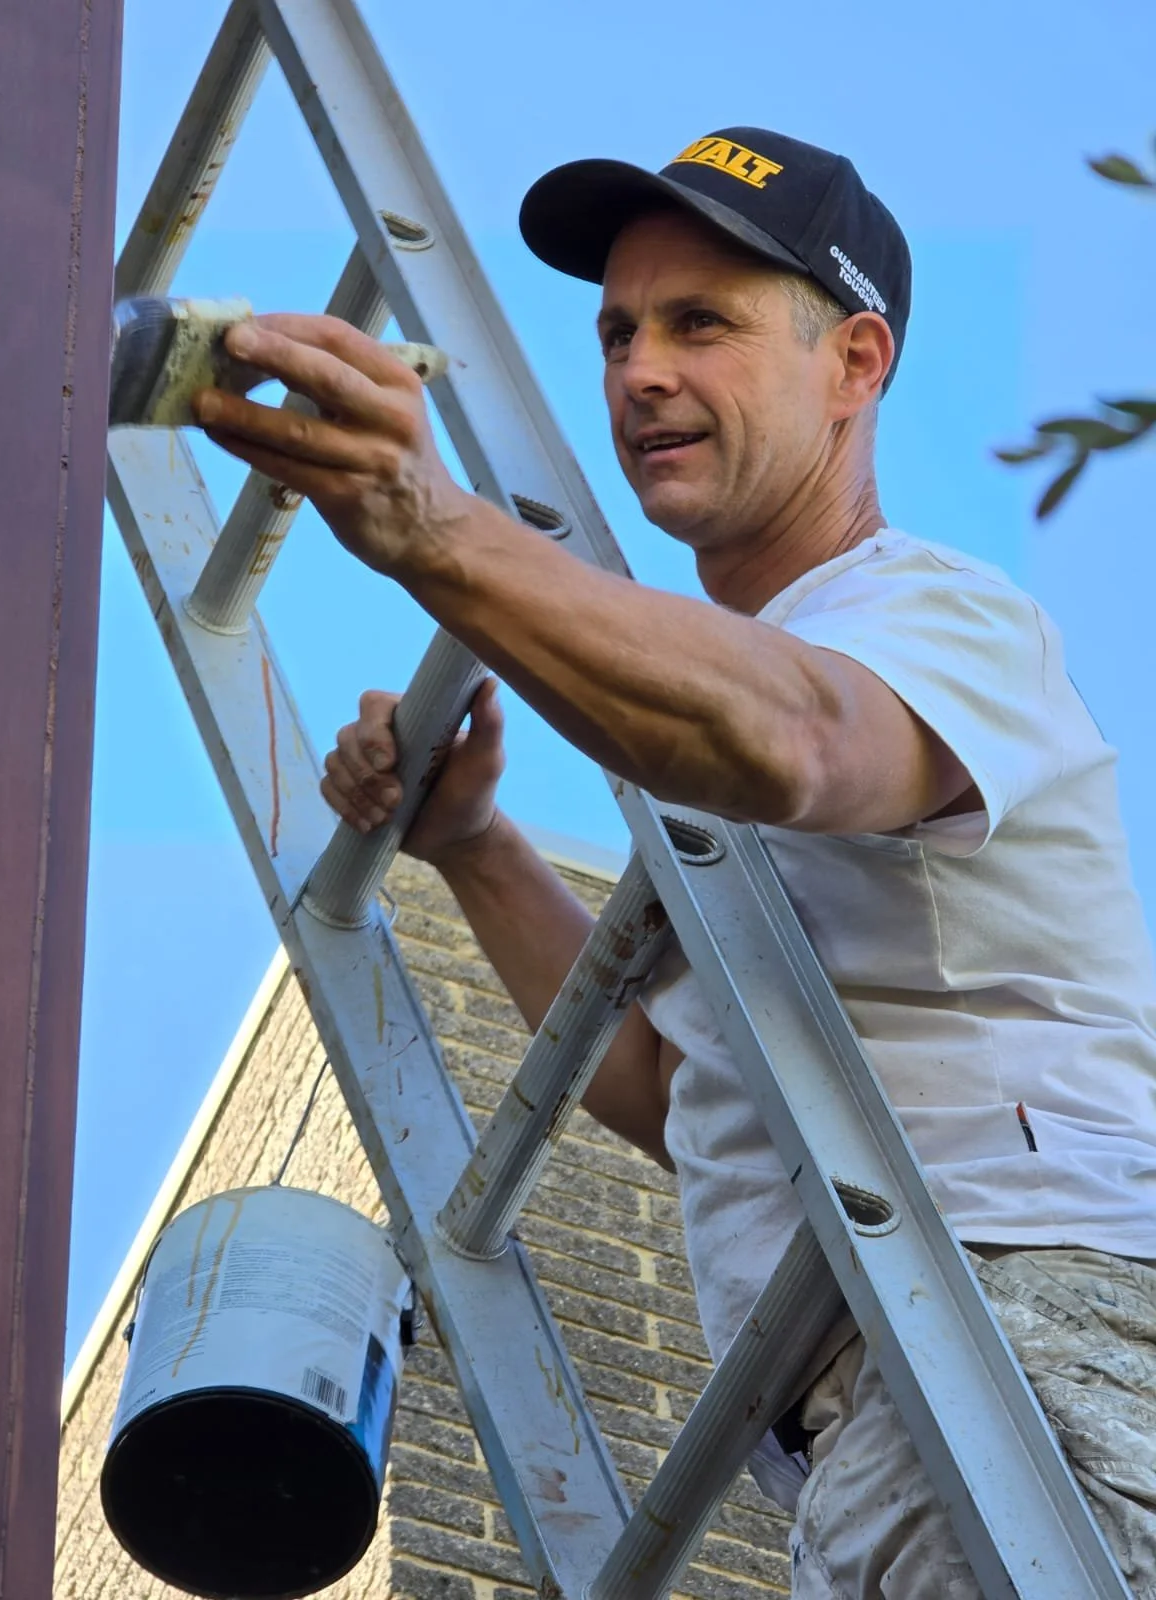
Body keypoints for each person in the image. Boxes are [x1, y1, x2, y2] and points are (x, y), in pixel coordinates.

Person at [193, 127, 1156, 1598]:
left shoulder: (937, 616)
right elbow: (678, 1096)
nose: (640, 370)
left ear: (854, 362)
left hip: (1031, 1327)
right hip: (869, 1403)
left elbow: (799, 742)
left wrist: (429, 524)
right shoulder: (691, 718)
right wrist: (471, 848)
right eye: (618, 332)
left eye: (701, 323)